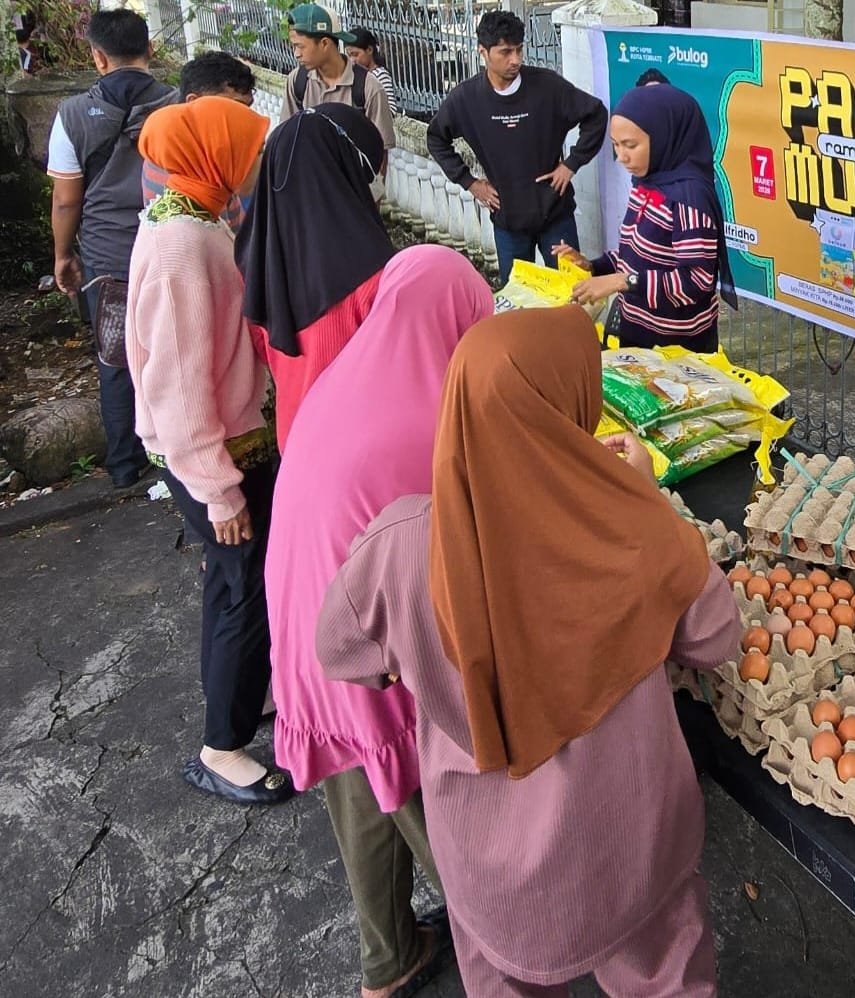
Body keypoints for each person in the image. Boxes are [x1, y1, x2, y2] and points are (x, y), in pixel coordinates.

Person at [316, 305, 741, 996]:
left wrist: (423, 650)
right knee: (664, 977)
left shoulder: (399, 544)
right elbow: (717, 637)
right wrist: (644, 499)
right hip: (631, 851)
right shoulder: (633, 532)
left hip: (490, 866)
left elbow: (340, 654)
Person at [266, 244, 492, 998]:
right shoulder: (428, 417)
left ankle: (388, 961)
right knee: (441, 817)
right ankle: (507, 950)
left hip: (307, 636)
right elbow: (462, 551)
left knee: (365, 787)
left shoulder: (349, 376)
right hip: (367, 644)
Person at [125, 96, 292, 806]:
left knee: (233, 588)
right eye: (250, 147)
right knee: (242, 593)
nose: (259, 159)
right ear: (216, 154)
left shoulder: (195, 217)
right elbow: (179, 381)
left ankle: (244, 693)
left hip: (231, 442)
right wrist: (217, 489)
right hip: (218, 453)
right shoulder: (181, 244)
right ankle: (221, 749)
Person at [48, 9, 178, 488]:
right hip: (172, 245)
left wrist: (64, 256)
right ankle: (179, 452)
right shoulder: (178, 103)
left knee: (117, 356)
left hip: (109, 257)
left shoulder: (71, 114)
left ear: (97, 57)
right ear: (150, 50)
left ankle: (125, 464)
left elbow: (66, 200)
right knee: (176, 348)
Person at [235, 104, 395, 451]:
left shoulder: (255, 260)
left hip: (296, 445)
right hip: (359, 452)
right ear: (345, 173)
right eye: (369, 172)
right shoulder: (376, 277)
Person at [426, 9, 607, 284]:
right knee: (517, 297)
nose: (516, 60)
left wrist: (571, 164)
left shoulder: (547, 86)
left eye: (519, 50)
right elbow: (436, 138)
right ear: (483, 52)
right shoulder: (466, 99)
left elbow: (596, 115)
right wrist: (469, 182)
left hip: (556, 215)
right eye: (506, 52)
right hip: (508, 220)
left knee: (573, 292)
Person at [564, 83, 737, 353]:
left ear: (663, 137)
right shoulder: (647, 183)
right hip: (637, 331)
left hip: (678, 347)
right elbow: (635, 253)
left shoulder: (689, 198)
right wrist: (593, 266)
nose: (621, 157)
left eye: (630, 145)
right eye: (616, 145)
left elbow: (696, 281)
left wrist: (622, 282)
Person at [142, 51, 257, 231]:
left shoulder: (179, 147)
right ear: (193, 102)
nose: (244, 118)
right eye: (233, 107)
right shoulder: (186, 164)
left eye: (247, 108)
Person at [282, 2, 395, 179]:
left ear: (324, 43)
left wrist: (369, 195)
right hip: (311, 185)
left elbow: (380, 153)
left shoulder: (368, 87)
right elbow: (286, 139)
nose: (296, 54)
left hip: (353, 187)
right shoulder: (297, 82)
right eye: (294, 46)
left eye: (300, 46)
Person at [346, 27, 398, 116]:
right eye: (349, 55)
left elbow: (391, 110)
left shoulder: (380, 75)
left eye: (356, 54)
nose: (352, 60)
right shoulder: (353, 74)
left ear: (369, 50)